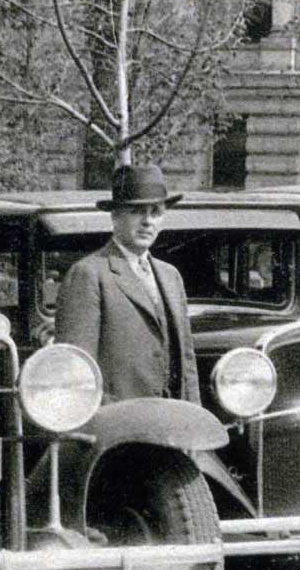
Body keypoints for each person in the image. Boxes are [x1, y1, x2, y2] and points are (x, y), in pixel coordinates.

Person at [55, 164, 200, 405]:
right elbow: (77, 371)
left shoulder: (170, 276)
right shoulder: (89, 274)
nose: (147, 221)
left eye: (155, 212)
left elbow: (187, 363)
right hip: (118, 428)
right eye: (136, 211)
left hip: (174, 425)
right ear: (115, 216)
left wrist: (195, 422)